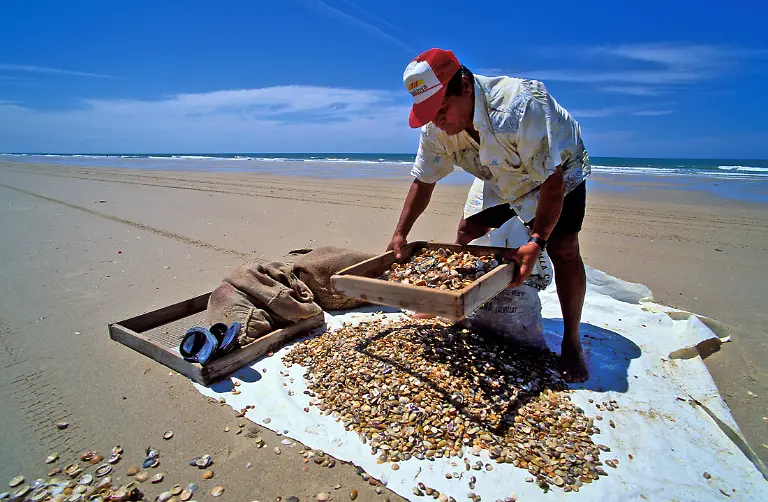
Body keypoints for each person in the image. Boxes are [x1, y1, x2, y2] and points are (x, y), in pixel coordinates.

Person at [387, 48, 591, 382]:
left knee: (564, 249)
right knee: (468, 231)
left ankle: (572, 340)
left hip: (555, 172)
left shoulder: (520, 106)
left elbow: (551, 183)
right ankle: (453, 303)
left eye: (441, 109)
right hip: (499, 174)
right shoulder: (437, 128)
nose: (437, 120)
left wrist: (537, 241)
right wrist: (400, 233)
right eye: (428, 114)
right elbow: (423, 181)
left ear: (465, 86)